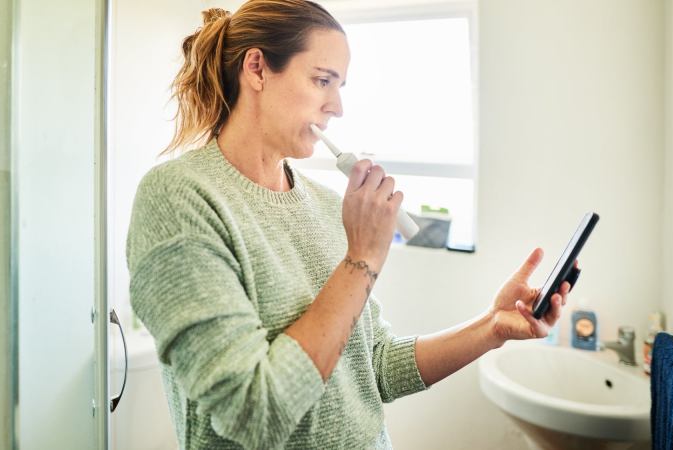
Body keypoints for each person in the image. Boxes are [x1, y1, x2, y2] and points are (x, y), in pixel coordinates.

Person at [126, 1, 572, 448]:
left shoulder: (325, 204)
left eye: (340, 86)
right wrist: (363, 257)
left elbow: (373, 366)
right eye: (322, 80)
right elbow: (254, 413)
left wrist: (491, 327)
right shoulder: (179, 197)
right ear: (257, 69)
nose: (337, 107)